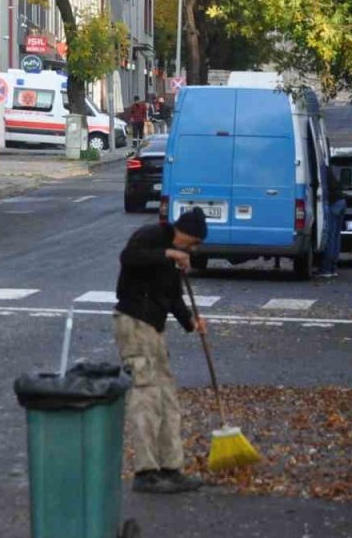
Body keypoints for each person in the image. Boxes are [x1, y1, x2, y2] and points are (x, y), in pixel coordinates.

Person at [115, 207, 209, 494]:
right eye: (190, 243)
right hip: (134, 323)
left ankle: (171, 466)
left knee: (168, 398)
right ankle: (146, 471)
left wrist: (191, 322)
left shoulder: (175, 258)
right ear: (182, 232)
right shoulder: (151, 235)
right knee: (146, 396)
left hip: (155, 329)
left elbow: (172, 297)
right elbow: (128, 258)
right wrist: (169, 254)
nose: (190, 249)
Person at [318, 165, 346, 278]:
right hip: (341, 200)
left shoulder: (317, 168)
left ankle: (326, 268)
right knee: (335, 236)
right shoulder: (323, 166)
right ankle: (333, 267)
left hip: (333, 202)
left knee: (329, 236)